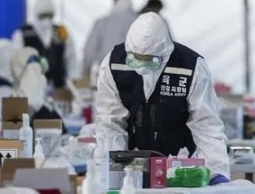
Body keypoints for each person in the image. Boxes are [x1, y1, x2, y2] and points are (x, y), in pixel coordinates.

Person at [95, 13, 230, 184]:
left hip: (181, 165)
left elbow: (206, 125)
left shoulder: (191, 67)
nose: (142, 66)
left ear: (165, 53)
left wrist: (216, 171)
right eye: (135, 59)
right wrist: (112, 171)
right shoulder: (113, 64)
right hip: (132, 165)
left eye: (150, 60)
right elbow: (110, 123)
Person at [12, 0, 78, 89]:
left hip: (59, 88)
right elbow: (16, 63)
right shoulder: (22, 34)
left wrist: (72, 80)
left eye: (49, 15)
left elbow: (71, 58)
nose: (46, 20)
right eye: (42, 16)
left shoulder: (61, 32)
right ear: (36, 15)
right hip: (32, 89)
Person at [82, 0, 138, 79]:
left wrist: (85, 74)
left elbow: (89, 51)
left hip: (107, 77)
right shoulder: (140, 21)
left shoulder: (102, 22)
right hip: (134, 78)